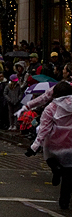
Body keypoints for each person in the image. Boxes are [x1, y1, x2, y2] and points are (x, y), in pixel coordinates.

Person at [26, 81, 72, 209]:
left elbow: (44, 129)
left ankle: (55, 168)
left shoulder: (51, 108)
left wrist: (34, 147)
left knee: (50, 157)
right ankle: (64, 201)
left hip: (55, 142)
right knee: (69, 172)